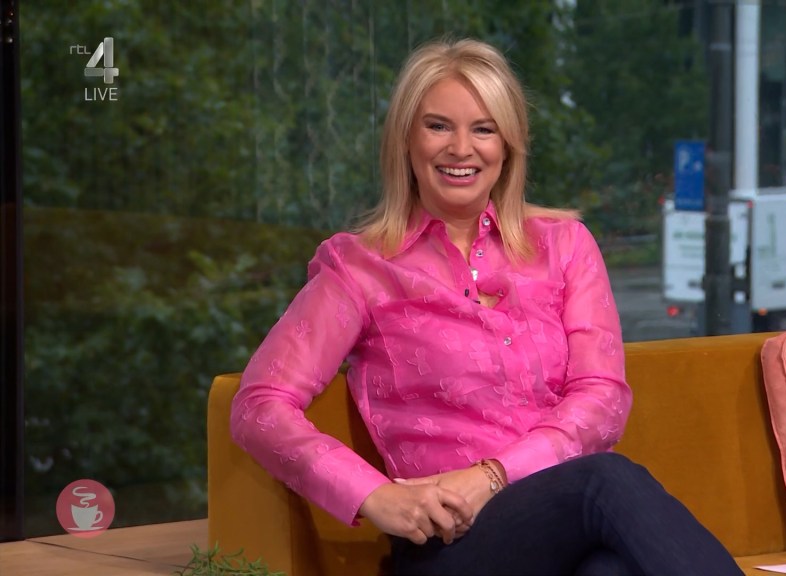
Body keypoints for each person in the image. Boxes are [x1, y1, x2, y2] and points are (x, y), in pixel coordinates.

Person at [231, 37, 742, 576]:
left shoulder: (564, 246)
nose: (461, 148)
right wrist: (374, 495)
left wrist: (492, 476)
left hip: (562, 525)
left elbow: (603, 398)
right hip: (450, 545)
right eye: (438, 126)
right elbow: (259, 405)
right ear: (405, 139)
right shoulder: (360, 268)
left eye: (483, 128)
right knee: (605, 478)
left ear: (508, 145)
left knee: (610, 570)